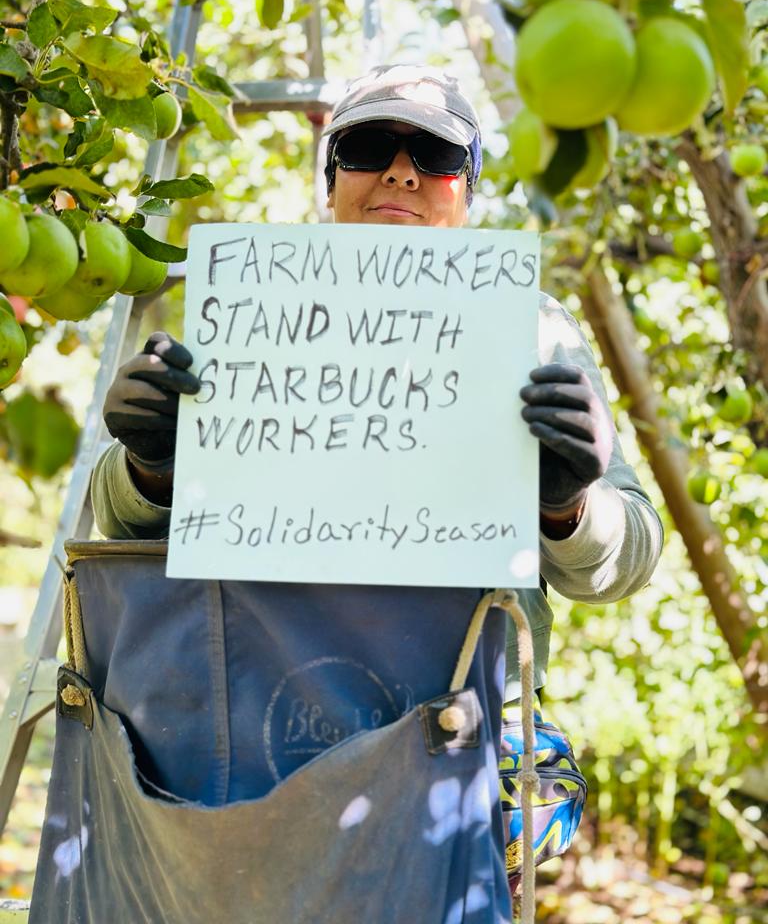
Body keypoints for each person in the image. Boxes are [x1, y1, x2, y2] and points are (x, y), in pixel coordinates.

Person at [93, 64, 664, 703]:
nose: (400, 172)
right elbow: (124, 526)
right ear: (330, 179)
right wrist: (148, 465)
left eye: (436, 154)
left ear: (466, 191)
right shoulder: (247, 308)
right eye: (366, 150)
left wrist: (570, 506)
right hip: (255, 715)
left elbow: (630, 560)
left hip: (459, 727)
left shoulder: (530, 328)